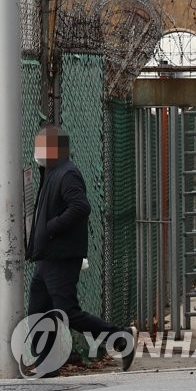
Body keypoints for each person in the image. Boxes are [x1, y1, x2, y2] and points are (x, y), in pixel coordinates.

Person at [26, 124, 137, 372]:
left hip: (61, 257)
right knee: (39, 311)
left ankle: (121, 338)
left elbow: (80, 207)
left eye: (42, 147)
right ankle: (48, 364)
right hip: (48, 257)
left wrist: (50, 227)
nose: (37, 152)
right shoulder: (52, 171)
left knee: (67, 312)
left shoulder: (67, 174)